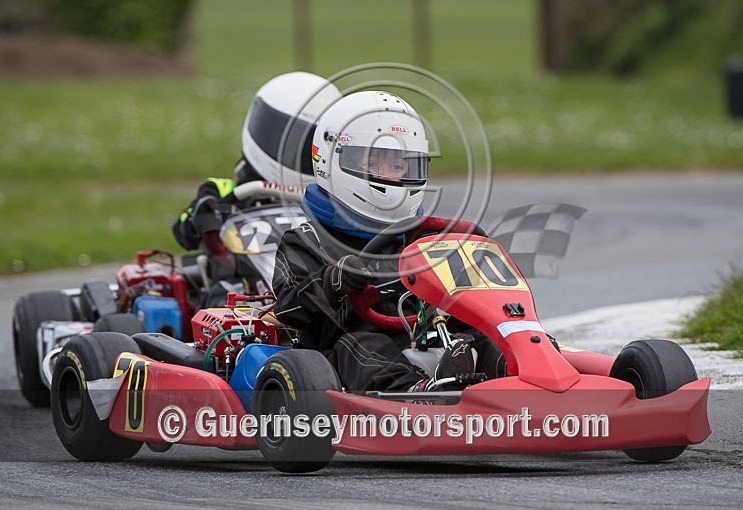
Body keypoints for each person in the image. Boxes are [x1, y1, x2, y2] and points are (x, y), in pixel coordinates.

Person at [272, 91, 506, 394]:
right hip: (344, 363)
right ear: (331, 159)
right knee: (363, 343)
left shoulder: (425, 238)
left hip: (430, 341)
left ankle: (523, 377)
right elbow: (287, 312)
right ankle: (418, 395)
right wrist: (332, 282)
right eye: (376, 163)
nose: (391, 178)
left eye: (399, 166)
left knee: (480, 337)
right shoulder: (307, 240)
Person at [171, 72, 341, 298]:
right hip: (239, 291)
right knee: (221, 293)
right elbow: (184, 231)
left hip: (309, 293)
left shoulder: (329, 200)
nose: (293, 153)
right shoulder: (222, 191)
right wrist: (205, 213)